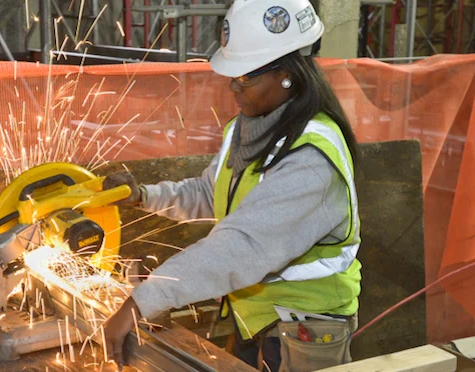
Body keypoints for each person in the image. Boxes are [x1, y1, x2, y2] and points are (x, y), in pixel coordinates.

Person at [101, 0, 361, 370]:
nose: (234, 88)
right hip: (255, 317)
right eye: (233, 76)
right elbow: (211, 193)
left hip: (304, 328)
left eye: (247, 77)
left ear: (288, 73)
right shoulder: (248, 129)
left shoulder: (312, 160)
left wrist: (141, 301)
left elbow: (242, 248)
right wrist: (143, 196)